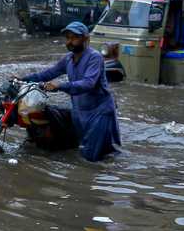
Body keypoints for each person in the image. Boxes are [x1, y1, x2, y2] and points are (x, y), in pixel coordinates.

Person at [17, 21, 121, 162]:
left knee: (92, 156)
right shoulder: (68, 59)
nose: (70, 41)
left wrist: (60, 85)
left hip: (99, 112)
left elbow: (88, 83)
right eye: (68, 38)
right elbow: (48, 74)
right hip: (80, 112)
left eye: (74, 38)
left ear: (85, 39)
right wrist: (23, 79)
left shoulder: (94, 57)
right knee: (84, 149)